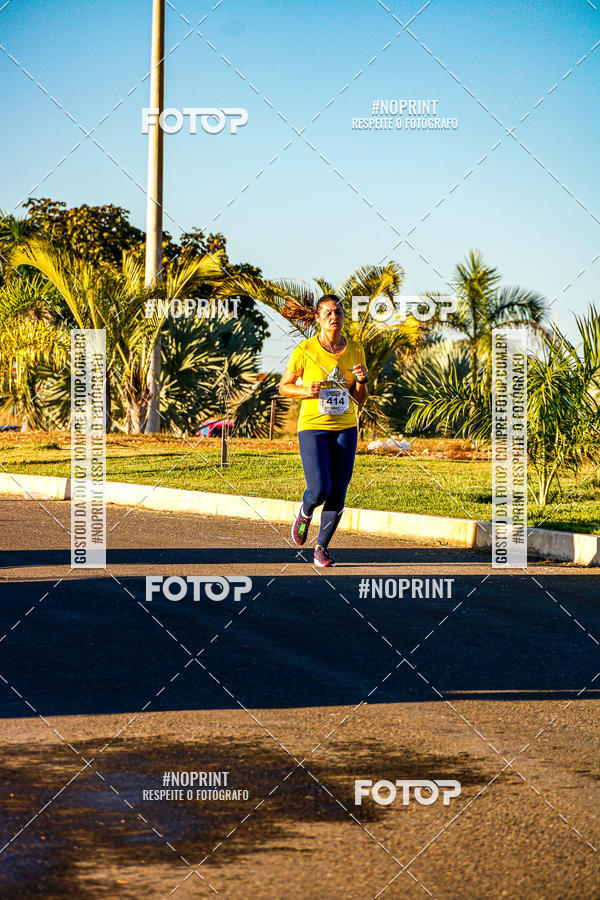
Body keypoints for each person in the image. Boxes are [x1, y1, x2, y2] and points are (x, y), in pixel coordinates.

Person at [278, 294, 368, 567]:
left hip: (345, 427)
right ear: (317, 318)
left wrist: (362, 381)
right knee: (320, 488)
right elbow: (283, 386)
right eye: (327, 312)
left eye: (338, 312)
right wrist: (308, 390)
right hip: (313, 427)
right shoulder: (305, 349)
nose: (334, 316)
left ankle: (321, 548)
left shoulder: (356, 350)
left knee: (339, 489)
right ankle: (305, 511)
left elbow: (360, 398)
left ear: (343, 317)